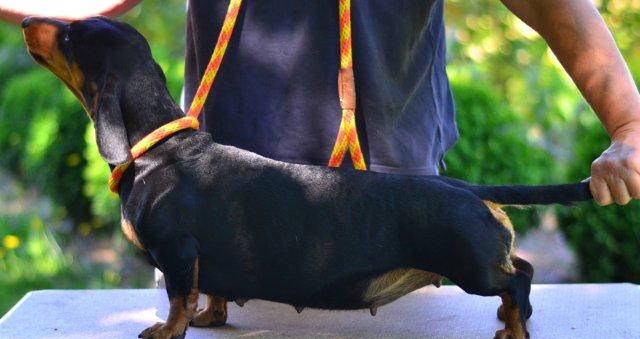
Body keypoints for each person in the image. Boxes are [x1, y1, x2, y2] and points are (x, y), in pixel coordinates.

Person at [1, 0, 639, 206]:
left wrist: (630, 126)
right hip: (227, 227)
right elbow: (77, 5)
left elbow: (556, 7)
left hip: (398, 234)